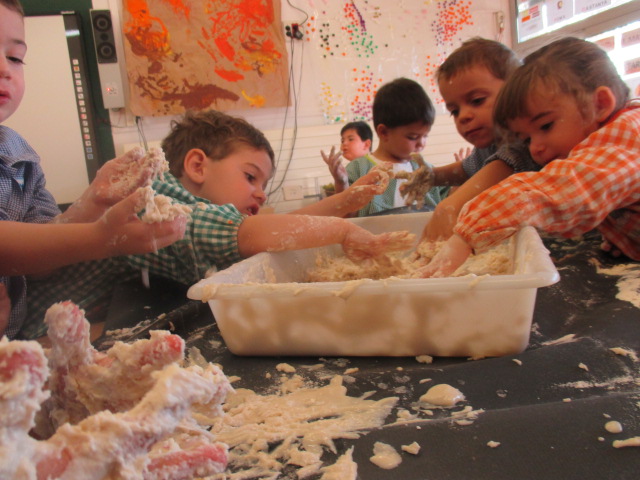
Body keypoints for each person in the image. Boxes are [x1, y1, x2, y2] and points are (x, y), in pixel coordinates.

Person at [23, 110, 415, 338]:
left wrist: (345, 201)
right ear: (197, 165)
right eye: (251, 177)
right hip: (29, 339)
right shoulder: (152, 199)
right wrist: (343, 227)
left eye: (263, 186)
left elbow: (268, 229)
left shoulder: (198, 206)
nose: (261, 195)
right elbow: (243, 233)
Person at [0, 0, 187, 338]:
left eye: (14, 57)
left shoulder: (21, 157)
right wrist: (103, 238)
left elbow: (41, 260)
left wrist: (93, 202)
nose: (5, 69)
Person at [419, 37, 640, 278]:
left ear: (600, 104)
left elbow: (559, 189)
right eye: (526, 139)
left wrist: (467, 234)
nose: (535, 149)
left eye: (545, 126)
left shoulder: (627, 134)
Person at [418, 37, 540, 242]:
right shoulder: (490, 144)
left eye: (476, 101)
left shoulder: (524, 139)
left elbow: (503, 165)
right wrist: (431, 177)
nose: (463, 116)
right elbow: (467, 169)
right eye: (454, 111)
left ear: (514, 90)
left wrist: (450, 205)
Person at [343, 77, 445, 217]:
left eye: (425, 136)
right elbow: (345, 216)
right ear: (384, 132)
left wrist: (459, 183)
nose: (421, 144)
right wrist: (341, 183)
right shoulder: (358, 170)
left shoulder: (426, 170)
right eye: (413, 137)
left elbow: (449, 204)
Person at [321, 120, 373, 193]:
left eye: (350, 139)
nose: (344, 143)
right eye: (342, 141)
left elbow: (344, 198)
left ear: (366, 144)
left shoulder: (355, 165)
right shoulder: (355, 165)